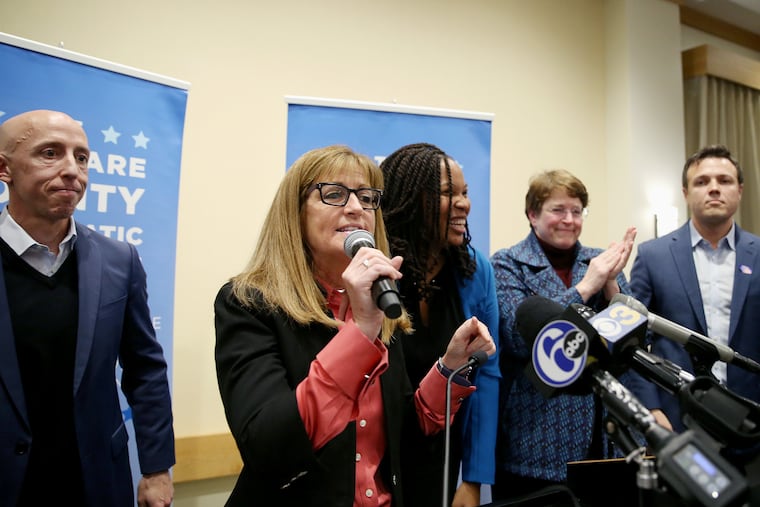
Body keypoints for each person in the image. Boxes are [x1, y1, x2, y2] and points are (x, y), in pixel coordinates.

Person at [213, 144, 496, 507]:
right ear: (294, 213)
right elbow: (268, 446)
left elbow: (401, 436)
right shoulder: (248, 302)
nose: (355, 208)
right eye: (333, 194)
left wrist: (448, 369)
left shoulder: (379, 300)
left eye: (367, 197)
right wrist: (360, 331)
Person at [0, 109, 175, 506]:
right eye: (50, 153)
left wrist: (156, 468)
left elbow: (145, 368)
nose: (71, 170)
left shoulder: (119, 260)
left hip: (95, 481)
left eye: (81, 157)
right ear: (4, 168)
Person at [489, 169, 636, 502]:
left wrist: (611, 287)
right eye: (558, 210)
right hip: (536, 445)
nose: (569, 220)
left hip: (608, 442)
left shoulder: (599, 262)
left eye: (577, 211)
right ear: (532, 214)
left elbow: (633, 348)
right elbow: (517, 337)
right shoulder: (508, 264)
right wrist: (586, 288)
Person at [379, 142, 499, 507]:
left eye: (465, 193)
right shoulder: (380, 272)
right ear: (412, 199)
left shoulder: (474, 270)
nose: (464, 203)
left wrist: (474, 478)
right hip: (382, 457)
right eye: (449, 193)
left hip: (442, 459)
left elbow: (487, 375)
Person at [626, 145, 760, 433]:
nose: (714, 189)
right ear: (686, 193)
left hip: (751, 419)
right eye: (702, 181)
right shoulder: (653, 256)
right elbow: (631, 341)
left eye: (724, 181)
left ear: (740, 190)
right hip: (676, 417)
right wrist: (650, 408)